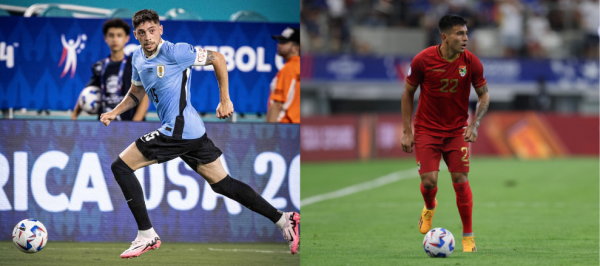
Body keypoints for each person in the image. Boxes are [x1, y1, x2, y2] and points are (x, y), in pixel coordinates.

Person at [100, 9, 300, 258]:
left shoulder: (176, 51)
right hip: (191, 131)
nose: (148, 36)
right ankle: (283, 219)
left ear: (160, 30)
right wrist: (113, 112)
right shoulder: (138, 59)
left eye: (152, 30)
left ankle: (146, 234)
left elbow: (218, 58)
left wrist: (224, 99)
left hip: (178, 130)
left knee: (121, 167)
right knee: (223, 184)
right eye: (142, 33)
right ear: (137, 36)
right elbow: (136, 93)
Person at [400, 14, 490, 252]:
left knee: (460, 180)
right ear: (445, 37)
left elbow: (484, 95)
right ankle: (429, 206)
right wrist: (406, 131)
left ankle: (468, 237)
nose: (465, 38)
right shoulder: (423, 60)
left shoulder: (471, 62)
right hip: (427, 130)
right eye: (460, 34)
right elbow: (408, 93)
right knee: (429, 182)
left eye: (466, 33)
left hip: (457, 130)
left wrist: (475, 125)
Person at [72, 18, 149, 121]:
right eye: (111, 35)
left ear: (126, 38)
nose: (115, 39)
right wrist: (74, 115)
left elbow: (144, 98)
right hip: (105, 127)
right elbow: (86, 92)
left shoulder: (135, 64)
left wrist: (134, 125)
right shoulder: (99, 66)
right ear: (105, 38)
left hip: (131, 125)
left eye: (119, 35)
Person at [266, 27, 300, 123]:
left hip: (284, 128)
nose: (279, 44)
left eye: (284, 42)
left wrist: (267, 134)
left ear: (296, 48)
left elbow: (277, 105)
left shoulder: (289, 69)